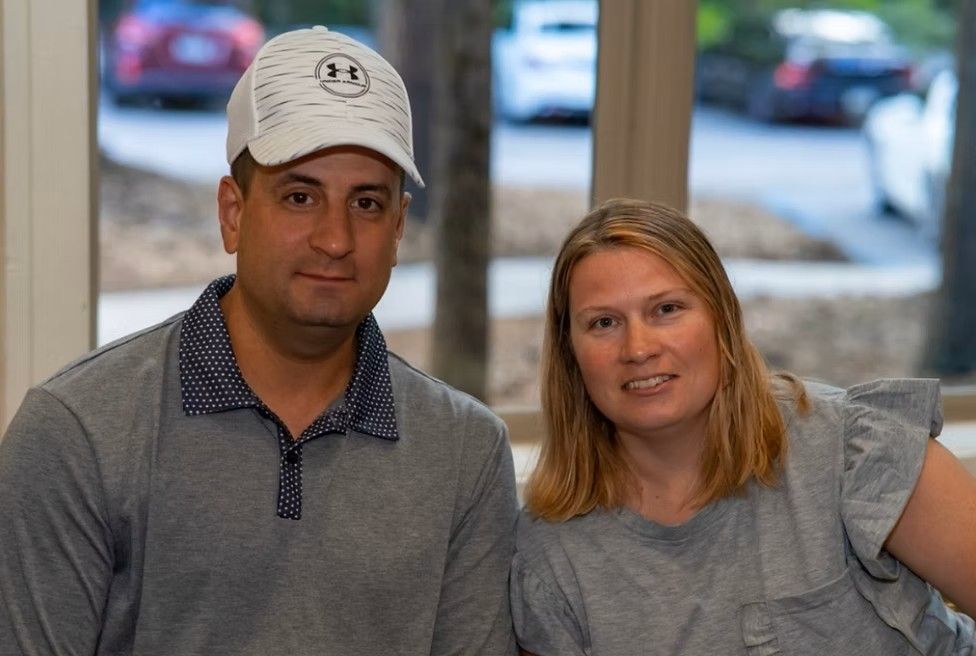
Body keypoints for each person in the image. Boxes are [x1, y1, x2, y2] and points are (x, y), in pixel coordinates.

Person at [0, 27, 517, 655]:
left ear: (400, 225)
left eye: (367, 204)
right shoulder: (77, 433)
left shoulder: (465, 450)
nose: (335, 238)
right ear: (233, 213)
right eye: (300, 196)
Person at [510, 198, 976, 655]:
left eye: (667, 310)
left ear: (723, 318)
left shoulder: (852, 450)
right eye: (604, 322)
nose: (638, 348)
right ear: (571, 352)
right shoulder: (552, 551)